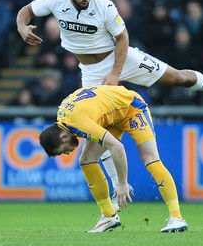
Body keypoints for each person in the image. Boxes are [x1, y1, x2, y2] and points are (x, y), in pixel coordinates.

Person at [16, 0, 203, 205]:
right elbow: (25, 11)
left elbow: (122, 38)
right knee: (98, 133)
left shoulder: (104, 5)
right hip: (89, 71)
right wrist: (22, 27)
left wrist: (115, 73)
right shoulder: (55, 0)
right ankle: (118, 194)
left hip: (121, 58)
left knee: (180, 79)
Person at [39, 84, 189, 233]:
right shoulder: (63, 119)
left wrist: (122, 184)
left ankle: (177, 218)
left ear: (63, 136)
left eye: (62, 151)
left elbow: (117, 147)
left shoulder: (78, 121)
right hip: (110, 117)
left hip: (131, 108)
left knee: (150, 159)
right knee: (86, 160)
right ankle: (108, 216)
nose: (67, 153)